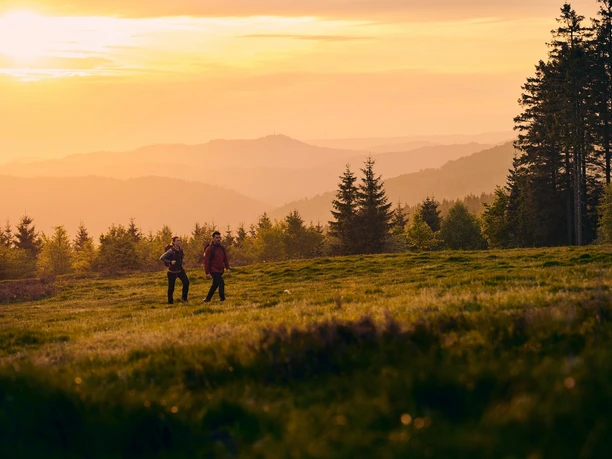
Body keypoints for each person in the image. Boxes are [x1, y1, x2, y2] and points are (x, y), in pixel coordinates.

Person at [160, 236, 190, 304]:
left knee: (186, 282)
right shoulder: (171, 251)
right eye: (177, 241)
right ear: (173, 242)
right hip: (172, 271)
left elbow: (181, 257)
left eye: (179, 241)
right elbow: (161, 258)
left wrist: (182, 261)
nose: (179, 242)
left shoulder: (181, 249)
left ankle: (184, 299)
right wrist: (170, 262)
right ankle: (170, 302)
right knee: (171, 288)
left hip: (180, 270)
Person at [203, 231, 230, 303]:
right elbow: (206, 261)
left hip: (220, 269)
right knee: (221, 283)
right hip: (213, 270)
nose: (218, 239)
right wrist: (207, 272)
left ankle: (207, 299)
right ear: (213, 238)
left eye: (219, 238)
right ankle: (222, 299)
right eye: (216, 238)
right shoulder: (209, 249)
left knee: (215, 285)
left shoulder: (221, 248)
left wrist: (227, 268)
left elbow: (225, 258)